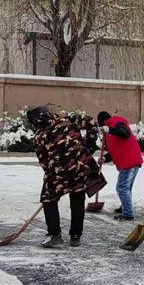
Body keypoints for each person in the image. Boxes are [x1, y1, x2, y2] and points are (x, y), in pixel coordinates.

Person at [27, 105, 107, 248]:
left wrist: (50, 175)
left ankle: (54, 234)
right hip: (80, 168)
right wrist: (89, 145)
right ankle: (75, 236)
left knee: (48, 199)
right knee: (77, 199)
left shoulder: (39, 136)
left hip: (58, 174)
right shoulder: (69, 120)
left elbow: (44, 161)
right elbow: (92, 123)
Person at [97, 111, 143, 221]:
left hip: (130, 160)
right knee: (126, 187)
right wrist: (105, 158)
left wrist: (110, 129)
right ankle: (125, 207)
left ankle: (128, 213)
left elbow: (125, 133)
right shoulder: (109, 133)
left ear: (103, 122)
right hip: (129, 160)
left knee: (122, 187)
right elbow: (114, 150)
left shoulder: (116, 121)